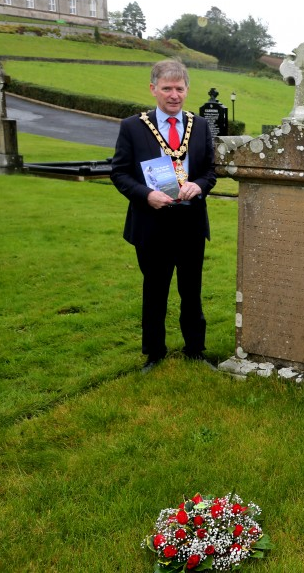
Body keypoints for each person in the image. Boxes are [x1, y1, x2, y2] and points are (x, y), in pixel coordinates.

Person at [111, 59, 217, 373]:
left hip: (191, 225)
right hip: (151, 224)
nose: (174, 94)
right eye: (167, 88)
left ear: (187, 90)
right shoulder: (132, 126)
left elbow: (211, 171)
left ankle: (195, 350)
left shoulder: (199, 126)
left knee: (192, 291)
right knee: (155, 291)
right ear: (153, 89)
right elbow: (118, 172)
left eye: (179, 88)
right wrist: (147, 195)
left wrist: (198, 185)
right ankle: (154, 353)